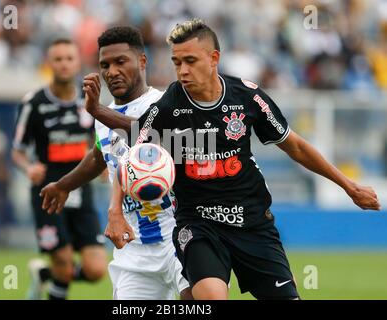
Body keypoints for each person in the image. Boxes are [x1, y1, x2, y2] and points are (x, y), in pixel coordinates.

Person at [82, 18, 381, 300]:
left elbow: (296, 146)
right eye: (176, 62)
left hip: (252, 222)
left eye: (190, 61)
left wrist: (349, 186)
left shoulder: (247, 97)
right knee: (210, 295)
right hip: (199, 226)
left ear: (214, 59)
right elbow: (133, 156)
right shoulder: (169, 106)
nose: (182, 71)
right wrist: (115, 210)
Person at [40, 26, 191, 300]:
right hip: (132, 247)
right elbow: (100, 155)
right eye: (105, 65)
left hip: (179, 236)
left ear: (142, 61)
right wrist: (63, 185)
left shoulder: (166, 103)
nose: (112, 71)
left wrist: (99, 110)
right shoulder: (104, 118)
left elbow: (153, 136)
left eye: (121, 62)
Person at [11, 38, 108, 300]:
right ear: (48, 63)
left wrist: (102, 165)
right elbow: (17, 150)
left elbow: (98, 139)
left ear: (78, 63)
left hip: (80, 188)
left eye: (69, 58)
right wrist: (29, 167)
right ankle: (55, 274)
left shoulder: (90, 100)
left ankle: (44, 275)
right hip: (48, 193)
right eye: (58, 59)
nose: (64, 64)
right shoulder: (33, 103)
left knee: (97, 269)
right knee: (63, 262)